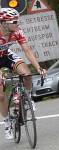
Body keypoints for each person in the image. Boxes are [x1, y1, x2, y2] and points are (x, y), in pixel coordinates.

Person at [0, 8, 44, 140]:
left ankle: (28, 98)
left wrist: (39, 68)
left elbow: (27, 50)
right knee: (1, 94)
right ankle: (7, 123)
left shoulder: (17, 31)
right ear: (4, 23)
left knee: (27, 74)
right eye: (14, 21)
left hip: (7, 55)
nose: (17, 24)